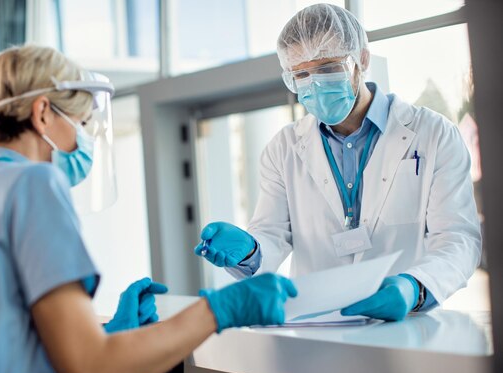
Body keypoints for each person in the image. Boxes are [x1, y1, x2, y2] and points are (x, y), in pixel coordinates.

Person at [0, 45, 298, 373]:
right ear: (42, 113)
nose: (84, 138)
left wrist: (108, 335)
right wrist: (219, 310)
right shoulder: (34, 185)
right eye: (79, 122)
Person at [195, 4, 481, 321]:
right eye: (301, 74)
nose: (314, 84)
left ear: (362, 60)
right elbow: (271, 236)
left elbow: (458, 239)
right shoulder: (284, 148)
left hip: (406, 327)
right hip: (316, 327)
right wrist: (250, 250)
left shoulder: (433, 134)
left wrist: (415, 287)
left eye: (328, 68)